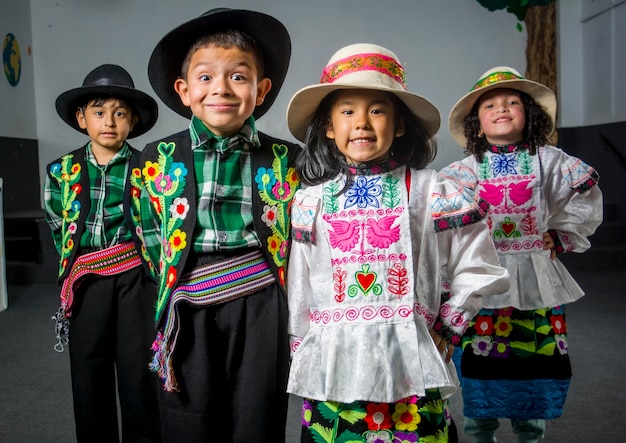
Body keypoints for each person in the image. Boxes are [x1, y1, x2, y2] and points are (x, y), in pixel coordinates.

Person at [285, 43, 509, 443]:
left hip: (409, 349)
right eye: (348, 110)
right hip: (336, 355)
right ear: (330, 128)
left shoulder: (432, 190)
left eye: (377, 110)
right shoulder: (310, 200)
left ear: (400, 124)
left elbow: (477, 264)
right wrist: (302, 344)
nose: (362, 123)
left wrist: (450, 326)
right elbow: (301, 283)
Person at [130, 8, 300, 442]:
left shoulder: (288, 160)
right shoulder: (156, 158)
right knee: (189, 412)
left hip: (262, 302)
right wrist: (177, 282)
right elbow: (149, 234)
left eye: (238, 77)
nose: (221, 88)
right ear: (184, 91)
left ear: (261, 90)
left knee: (257, 412)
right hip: (188, 301)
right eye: (205, 78)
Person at [440, 66, 603, 443]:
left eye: (513, 102)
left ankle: (530, 433)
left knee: (534, 365)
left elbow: (585, 198)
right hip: (483, 284)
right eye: (491, 104)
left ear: (529, 116)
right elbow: (442, 222)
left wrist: (561, 237)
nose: (503, 108)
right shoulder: (462, 172)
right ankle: (480, 432)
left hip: (536, 284)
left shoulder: (551, 160)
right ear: (476, 125)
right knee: (481, 371)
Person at [44, 64, 161, 442]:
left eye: (120, 113)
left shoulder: (151, 167)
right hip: (88, 281)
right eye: (98, 112)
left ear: (133, 121)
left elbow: (159, 224)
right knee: (88, 367)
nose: (108, 121)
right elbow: (58, 224)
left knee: (137, 369)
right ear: (81, 118)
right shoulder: (62, 171)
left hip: (134, 280)